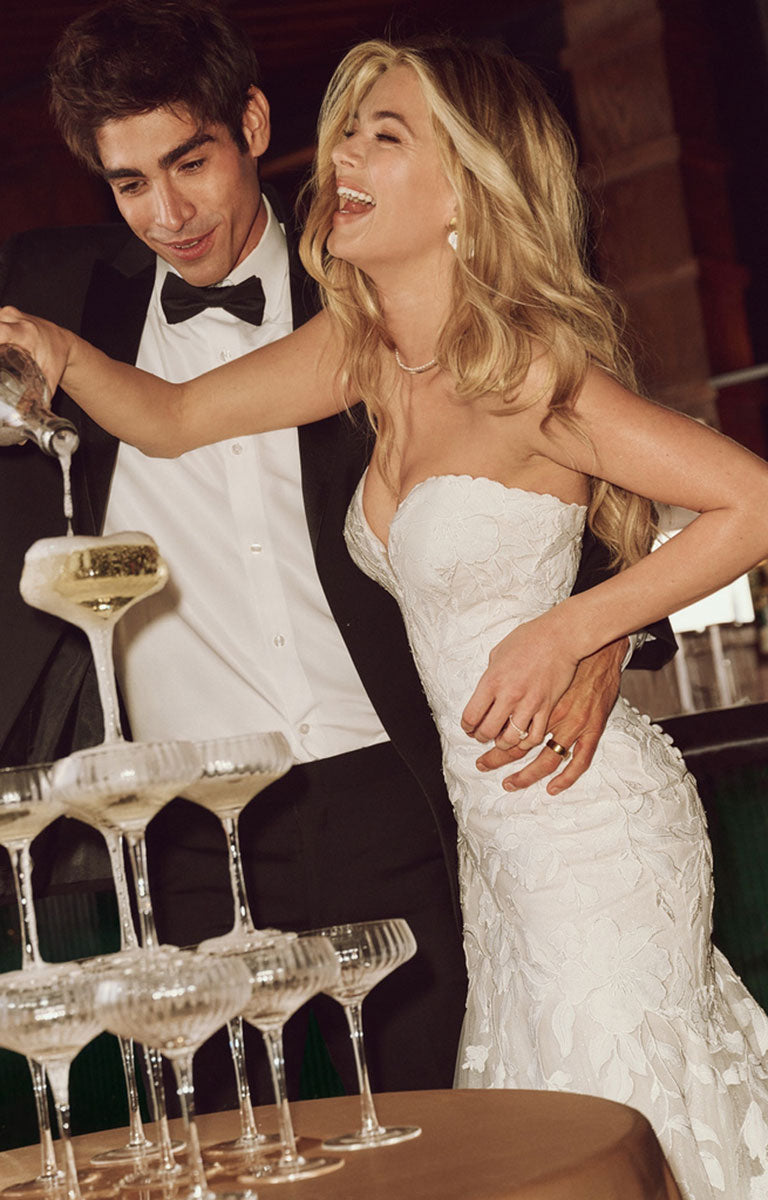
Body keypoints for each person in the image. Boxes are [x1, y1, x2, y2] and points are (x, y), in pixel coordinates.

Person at [6, 33, 768, 1197]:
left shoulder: (526, 370)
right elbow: (165, 419)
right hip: (484, 844)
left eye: (383, 135)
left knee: (608, 1120)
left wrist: (581, 629)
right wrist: (53, 350)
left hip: (576, 824)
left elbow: (749, 500)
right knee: (521, 1134)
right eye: (349, 129)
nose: (343, 155)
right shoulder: (364, 354)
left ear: (464, 183)